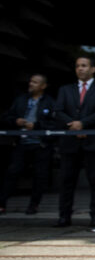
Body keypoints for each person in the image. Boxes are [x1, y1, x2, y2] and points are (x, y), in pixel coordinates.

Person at [53, 56, 95, 228]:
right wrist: (73, 125)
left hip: (93, 141)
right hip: (70, 142)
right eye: (78, 65)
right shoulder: (65, 89)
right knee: (66, 180)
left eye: (84, 65)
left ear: (93, 69)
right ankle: (64, 216)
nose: (80, 68)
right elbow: (58, 111)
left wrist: (83, 124)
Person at [0, 74, 56, 215]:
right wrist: (15, 121)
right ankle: (2, 203)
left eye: (35, 82)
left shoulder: (50, 102)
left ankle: (34, 205)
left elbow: (56, 123)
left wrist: (37, 125)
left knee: (40, 175)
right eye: (30, 81)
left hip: (40, 144)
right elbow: (6, 117)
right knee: (12, 172)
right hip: (21, 142)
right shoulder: (21, 100)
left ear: (43, 86)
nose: (31, 84)